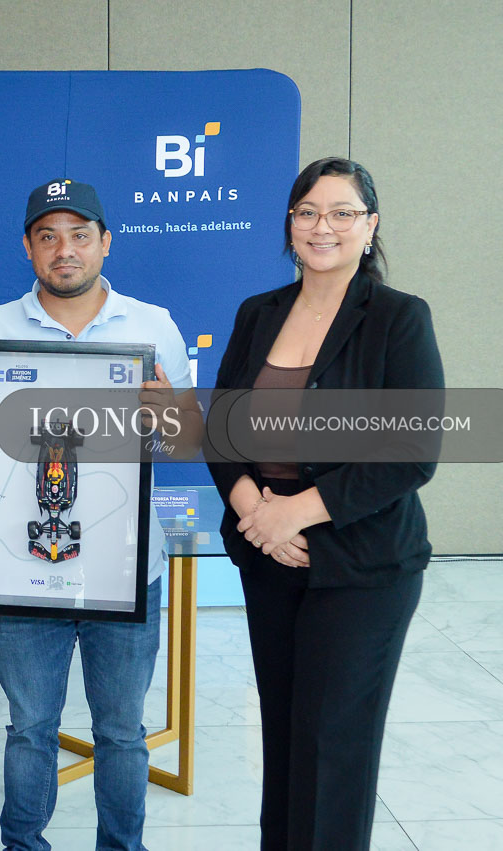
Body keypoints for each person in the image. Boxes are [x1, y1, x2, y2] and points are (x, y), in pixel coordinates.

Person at [0, 179, 201, 851]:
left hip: (127, 570)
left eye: (80, 235)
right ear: (27, 247)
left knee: (121, 731)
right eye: (48, 236)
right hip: (16, 575)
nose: (65, 250)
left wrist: (168, 413)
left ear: (105, 241)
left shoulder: (153, 325)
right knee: (30, 729)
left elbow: (187, 441)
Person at [206, 157, 444, 850]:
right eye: (308, 211)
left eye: (343, 212)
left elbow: (413, 448)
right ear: (290, 224)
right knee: (284, 737)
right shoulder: (259, 313)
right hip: (269, 555)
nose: (323, 226)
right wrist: (258, 515)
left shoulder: (398, 318)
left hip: (363, 563)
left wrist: (297, 511)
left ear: (370, 227)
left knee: (332, 747)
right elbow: (223, 429)